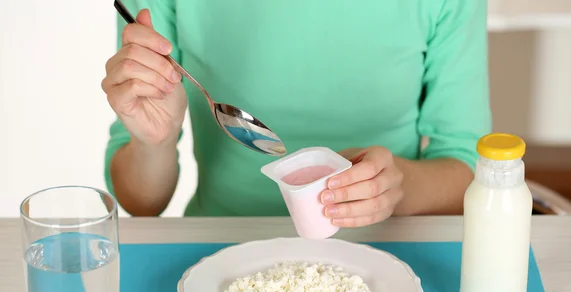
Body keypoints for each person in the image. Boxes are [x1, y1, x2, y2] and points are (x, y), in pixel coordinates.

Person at [102, 0, 491, 227]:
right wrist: (155, 142)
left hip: (388, 255)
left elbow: (467, 169)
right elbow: (141, 202)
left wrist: (397, 187)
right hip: (218, 252)